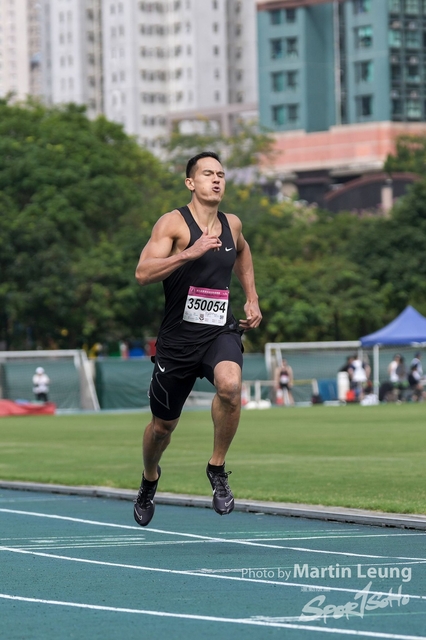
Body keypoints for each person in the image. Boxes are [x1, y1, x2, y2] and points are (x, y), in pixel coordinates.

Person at [133, 151, 262, 527]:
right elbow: (143, 273)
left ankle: (217, 467)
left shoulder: (231, 224)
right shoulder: (173, 224)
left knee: (230, 386)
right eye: (208, 174)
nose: (217, 179)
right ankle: (150, 478)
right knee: (162, 428)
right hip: (177, 341)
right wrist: (189, 253)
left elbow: (243, 252)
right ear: (191, 182)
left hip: (219, 330)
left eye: (221, 174)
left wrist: (251, 297)